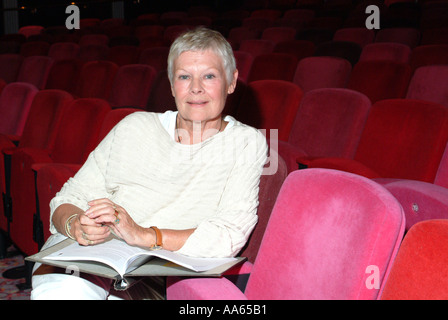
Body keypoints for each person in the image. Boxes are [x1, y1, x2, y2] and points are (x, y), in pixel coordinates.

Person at [31, 27, 268, 300]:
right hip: (96, 257)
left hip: (160, 273)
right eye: (184, 77)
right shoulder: (134, 126)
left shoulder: (247, 143)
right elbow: (68, 197)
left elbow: (227, 235)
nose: (195, 88)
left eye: (209, 76)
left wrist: (143, 235)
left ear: (231, 81)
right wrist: (75, 224)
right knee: (64, 288)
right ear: (171, 84)